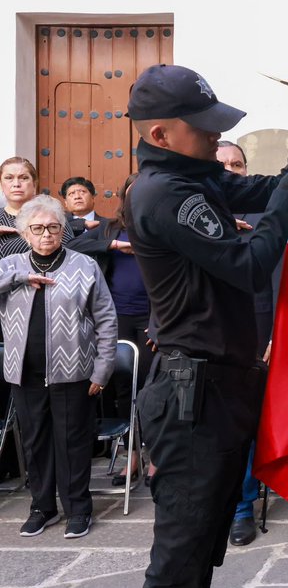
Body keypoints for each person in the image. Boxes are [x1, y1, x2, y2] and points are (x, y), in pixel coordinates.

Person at [126, 64, 288, 588]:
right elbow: (248, 263)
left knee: (200, 553)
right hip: (193, 393)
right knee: (180, 560)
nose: (217, 139)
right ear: (161, 131)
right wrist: (283, 198)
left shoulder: (191, 178)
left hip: (218, 386)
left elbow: (273, 191)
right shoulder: (164, 194)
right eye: (204, 128)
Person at [2, 195, 117, 539]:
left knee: (73, 442)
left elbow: (106, 319)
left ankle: (78, 509)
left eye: (53, 227)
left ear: (63, 229)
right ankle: (42, 507)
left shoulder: (84, 265)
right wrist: (19, 279)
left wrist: (102, 370)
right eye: (37, 229)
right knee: (35, 442)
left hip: (74, 371)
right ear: (24, 232)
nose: (46, 235)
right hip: (25, 371)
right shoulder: (11, 265)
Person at [75, 174, 155, 487]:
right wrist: (112, 244)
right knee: (123, 388)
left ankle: (156, 459)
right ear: (124, 197)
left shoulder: (158, 227)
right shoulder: (109, 228)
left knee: (151, 390)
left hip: (151, 319)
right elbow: (74, 245)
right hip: (117, 317)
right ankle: (132, 457)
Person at [216, 140, 271, 547]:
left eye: (238, 164)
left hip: (256, 329)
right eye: (224, 165)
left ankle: (241, 507)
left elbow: (279, 272)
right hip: (204, 332)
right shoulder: (188, 210)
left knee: (246, 423)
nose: (232, 170)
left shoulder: (263, 211)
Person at [0, 158, 75, 256]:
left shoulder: (52, 214)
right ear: (1, 185)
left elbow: (69, 248)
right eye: (9, 178)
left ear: (34, 184)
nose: (16, 184)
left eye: (24, 178)